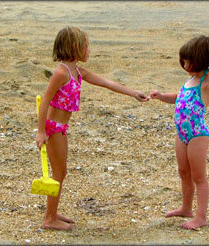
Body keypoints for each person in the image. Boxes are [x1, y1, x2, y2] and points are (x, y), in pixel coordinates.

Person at [36, 26, 150, 230]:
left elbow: (106, 83)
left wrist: (133, 93)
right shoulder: (61, 72)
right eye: (86, 46)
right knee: (58, 173)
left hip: (62, 128)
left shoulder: (78, 71)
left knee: (61, 172)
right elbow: (44, 101)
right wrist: (41, 131)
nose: (89, 50)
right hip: (53, 128)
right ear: (74, 47)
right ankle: (49, 219)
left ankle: (51, 212)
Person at [150, 35, 209, 230]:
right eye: (183, 61)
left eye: (188, 61)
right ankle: (186, 208)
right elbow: (178, 97)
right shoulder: (191, 80)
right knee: (183, 172)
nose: (184, 65)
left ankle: (201, 216)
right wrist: (160, 97)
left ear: (202, 60)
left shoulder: (207, 84)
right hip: (181, 133)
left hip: (197, 134)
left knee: (199, 176)